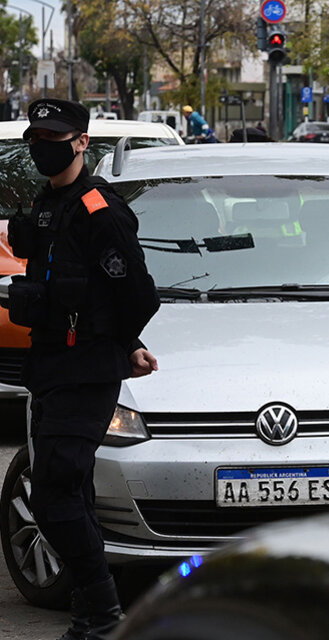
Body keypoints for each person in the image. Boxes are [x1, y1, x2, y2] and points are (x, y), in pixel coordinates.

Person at [4, 99, 160, 639]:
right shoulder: (49, 204)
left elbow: (138, 295)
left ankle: (103, 611)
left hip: (87, 371)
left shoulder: (101, 210)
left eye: (54, 136)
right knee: (69, 494)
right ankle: (96, 614)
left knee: (55, 494)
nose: (42, 145)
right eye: (36, 136)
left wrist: (120, 343)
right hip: (48, 367)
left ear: (80, 142)